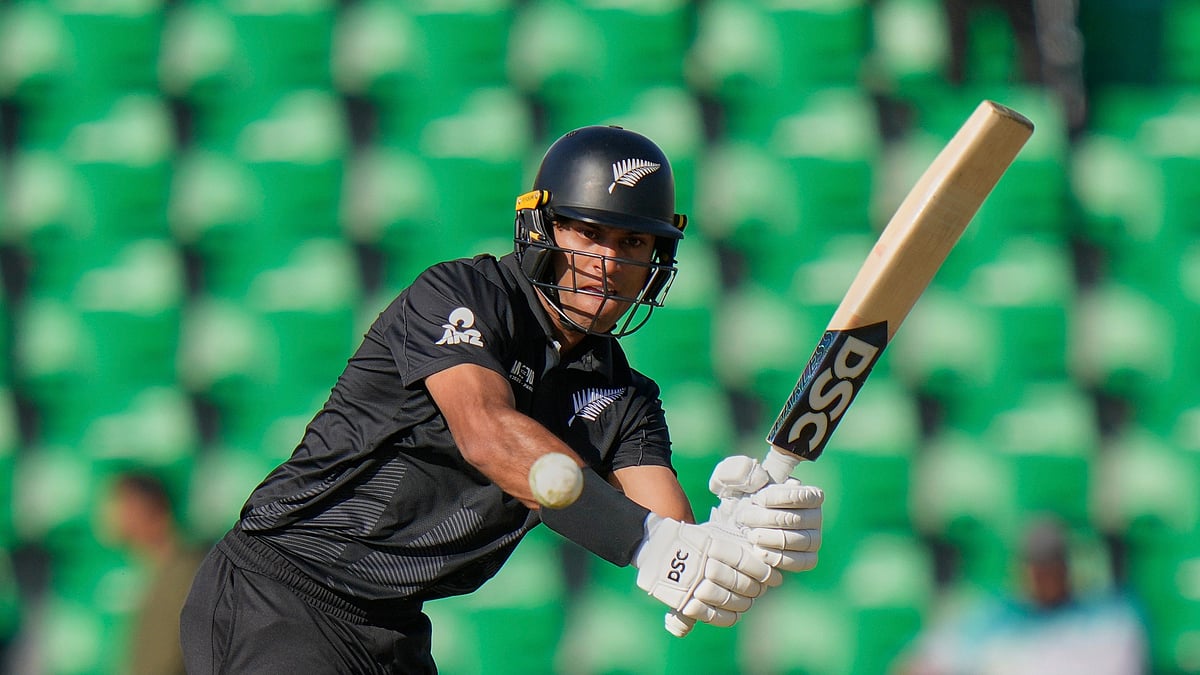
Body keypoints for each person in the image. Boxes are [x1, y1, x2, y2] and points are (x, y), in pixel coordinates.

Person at [180, 125, 825, 673]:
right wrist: (658, 547)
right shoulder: (461, 294)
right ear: (542, 226)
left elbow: (668, 533)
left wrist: (735, 539)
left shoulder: (624, 396)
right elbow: (487, 433)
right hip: (280, 592)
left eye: (632, 243)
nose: (608, 261)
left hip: (394, 628)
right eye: (588, 233)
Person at [897, 516, 1149, 674]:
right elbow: (918, 666)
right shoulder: (993, 617)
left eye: (1051, 563)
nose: (1043, 575)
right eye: (1036, 564)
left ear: (1066, 565)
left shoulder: (1108, 620)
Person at [103, 471, 204, 675]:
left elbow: (165, 661)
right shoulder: (154, 569)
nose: (107, 515)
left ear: (142, 508)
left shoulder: (186, 574)